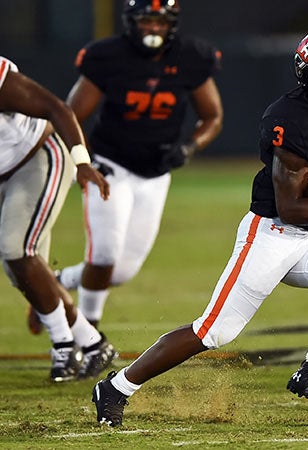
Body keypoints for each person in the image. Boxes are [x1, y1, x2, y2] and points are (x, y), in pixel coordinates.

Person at [90, 25, 308, 427]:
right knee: (213, 331)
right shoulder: (290, 119)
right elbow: (290, 206)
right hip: (273, 233)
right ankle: (116, 387)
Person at [42, 0, 224, 331]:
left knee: (123, 270)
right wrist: (84, 160)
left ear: (172, 24)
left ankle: (54, 283)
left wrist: (189, 146)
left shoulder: (191, 55)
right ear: (131, 23)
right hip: (109, 165)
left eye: (160, 21)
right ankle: (88, 335)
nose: (153, 28)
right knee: (104, 256)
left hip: (155, 172)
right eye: (146, 21)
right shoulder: (108, 55)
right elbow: (72, 114)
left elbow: (212, 117)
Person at [0, 55, 117, 382]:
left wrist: (81, 161)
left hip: (37, 156)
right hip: (4, 171)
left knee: (16, 248)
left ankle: (65, 346)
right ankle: (92, 344)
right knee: (20, 269)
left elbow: (58, 108)